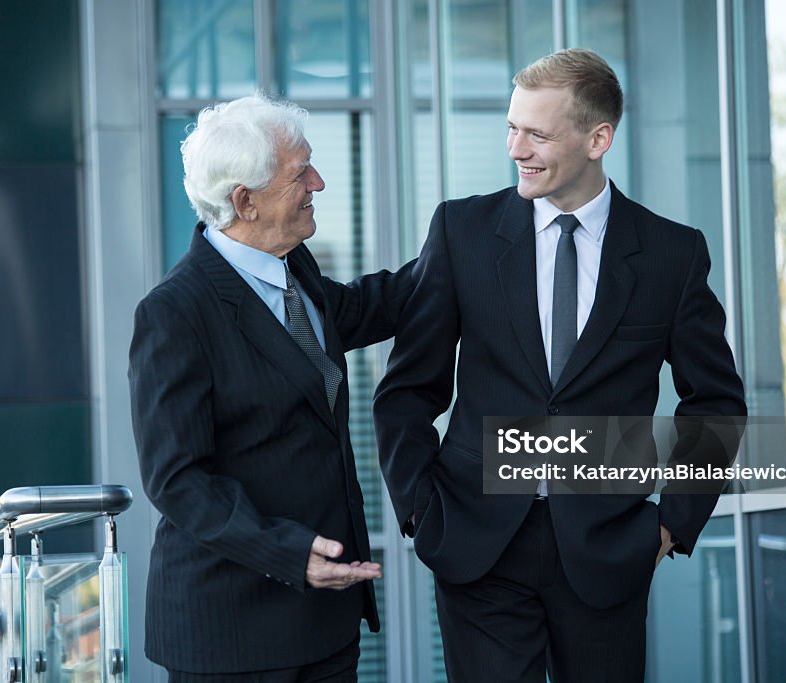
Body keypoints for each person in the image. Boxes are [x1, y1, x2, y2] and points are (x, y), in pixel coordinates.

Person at [373, 48, 746, 682]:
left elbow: (714, 401)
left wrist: (669, 526)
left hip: (609, 547)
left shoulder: (671, 254)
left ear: (599, 138)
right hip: (475, 540)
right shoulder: (460, 231)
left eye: (537, 133)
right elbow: (408, 389)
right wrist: (419, 510)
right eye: (511, 128)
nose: (516, 148)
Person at [129, 94, 413, 681]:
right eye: (299, 173)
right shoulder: (175, 313)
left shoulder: (292, 264)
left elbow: (352, 310)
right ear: (244, 202)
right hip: (233, 636)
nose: (318, 182)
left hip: (324, 624)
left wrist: (459, 250)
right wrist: (287, 552)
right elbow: (177, 480)